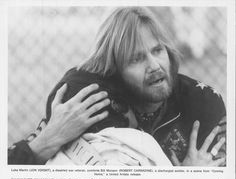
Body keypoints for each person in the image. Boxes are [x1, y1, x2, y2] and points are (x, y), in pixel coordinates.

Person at [9, 7, 226, 166]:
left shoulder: (201, 101)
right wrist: (48, 140)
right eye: (136, 59)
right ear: (115, 71)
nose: (154, 65)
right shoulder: (86, 102)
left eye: (157, 50)